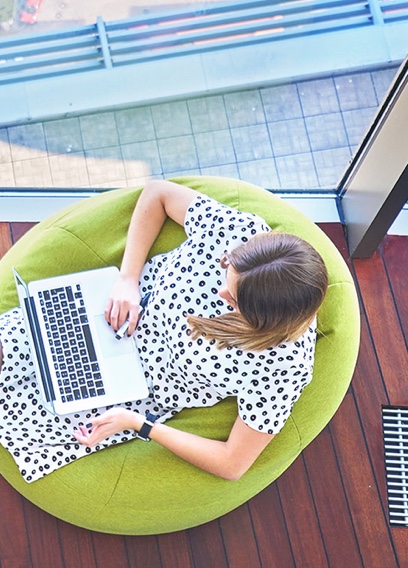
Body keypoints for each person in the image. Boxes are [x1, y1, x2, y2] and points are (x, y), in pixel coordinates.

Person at [0, 180, 328, 482]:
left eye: (234, 301)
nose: (220, 294)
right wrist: (128, 277)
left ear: (263, 319)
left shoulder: (283, 368)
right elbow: (158, 193)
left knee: (21, 415)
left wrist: (140, 425)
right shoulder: (239, 232)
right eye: (227, 269)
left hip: (130, 392)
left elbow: (232, 463)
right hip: (110, 310)